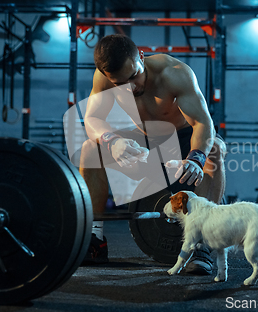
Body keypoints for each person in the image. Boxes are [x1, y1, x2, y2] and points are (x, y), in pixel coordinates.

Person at [79, 34, 226, 274]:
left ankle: (202, 244)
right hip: (144, 145)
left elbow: (202, 122)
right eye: (120, 84)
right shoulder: (104, 77)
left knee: (215, 150)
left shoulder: (175, 72)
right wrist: (112, 141)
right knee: (90, 148)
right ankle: (95, 239)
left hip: (181, 142)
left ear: (142, 56)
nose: (131, 87)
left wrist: (196, 158)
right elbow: (93, 118)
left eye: (134, 76)